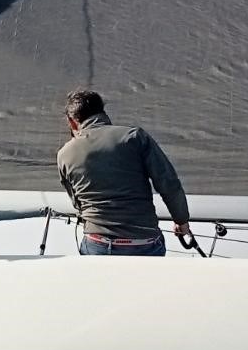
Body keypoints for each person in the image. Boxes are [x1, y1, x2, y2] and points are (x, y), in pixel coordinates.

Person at [57, 89, 190, 256]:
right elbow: (168, 183)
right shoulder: (135, 137)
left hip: (97, 243)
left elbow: (78, 203)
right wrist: (181, 220)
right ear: (102, 112)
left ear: (72, 122)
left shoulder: (64, 154)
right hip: (144, 243)